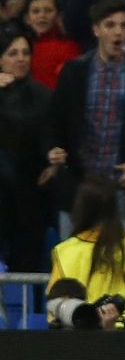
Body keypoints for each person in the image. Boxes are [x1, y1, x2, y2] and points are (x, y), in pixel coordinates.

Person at [44, 0, 125, 234]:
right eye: (110, 25)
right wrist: (52, 149)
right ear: (96, 29)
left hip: (122, 188)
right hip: (79, 186)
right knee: (72, 255)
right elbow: (53, 120)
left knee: (123, 257)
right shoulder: (73, 72)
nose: (118, 32)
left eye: (124, 25)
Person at [47, 174, 125, 308]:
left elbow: (55, 309)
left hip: (81, 320)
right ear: (115, 207)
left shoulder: (64, 251)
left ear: (81, 208)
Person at [0, 28, 51, 270]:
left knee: (28, 263)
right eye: (13, 53)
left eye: (25, 53)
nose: (21, 58)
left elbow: (53, 138)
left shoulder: (44, 96)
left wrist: (54, 163)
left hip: (31, 199)